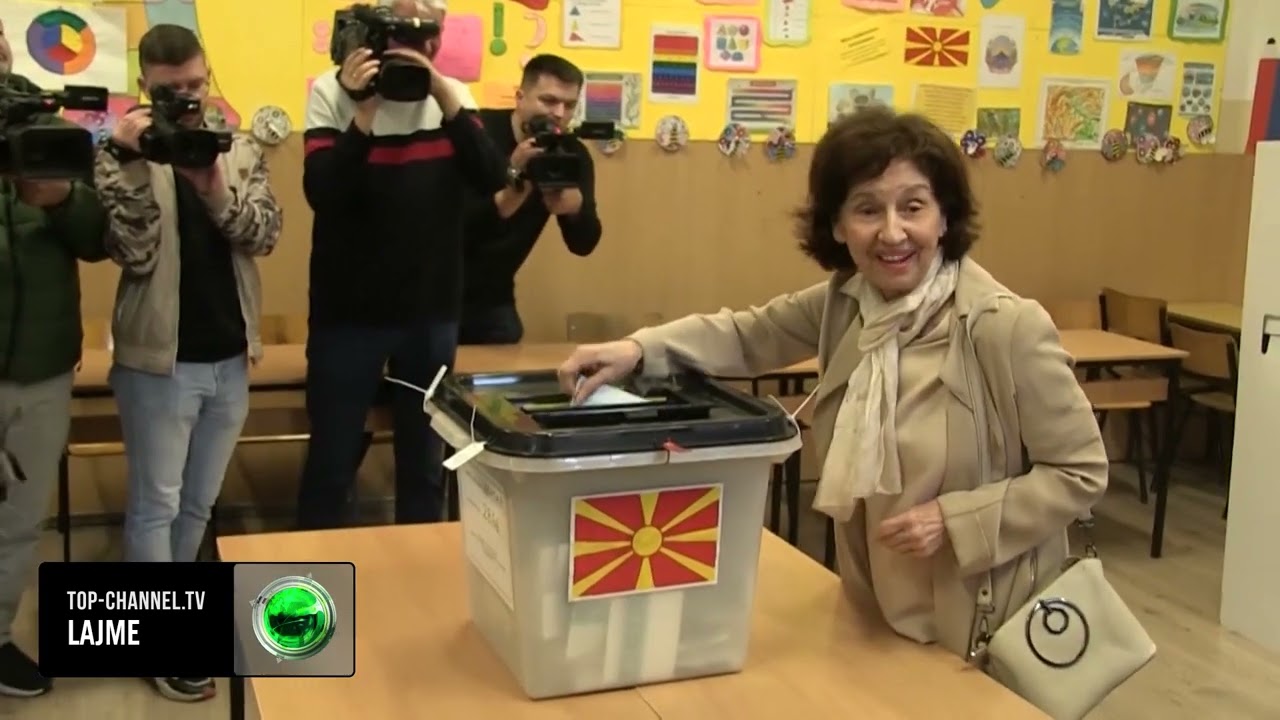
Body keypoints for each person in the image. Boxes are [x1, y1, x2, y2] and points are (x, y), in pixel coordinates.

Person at [556, 107, 1108, 665]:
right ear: (839, 226)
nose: (892, 232)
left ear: (944, 217)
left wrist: (956, 520)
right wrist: (638, 349)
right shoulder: (849, 304)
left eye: (913, 207)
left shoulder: (1005, 327)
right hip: (872, 612)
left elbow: (1080, 471)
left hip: (976, 631)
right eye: (867, 209)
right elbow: (749, 334)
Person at [94, 24, 282, 702]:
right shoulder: (119, 157)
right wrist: (133, 163)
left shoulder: (239, 149)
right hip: (157, 362)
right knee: (156, 506)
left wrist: (213, 186)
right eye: (170, 90)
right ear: (146, 86)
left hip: (230, 358)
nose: (187, 99)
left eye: (196, 85)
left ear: (208, 76)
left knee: (198, 504)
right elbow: (133, 252)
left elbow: (263, 235)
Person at [297, 0, 506, 530]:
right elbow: (324, 193)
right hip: (348, 316)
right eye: (400, 35)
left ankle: (419, 574)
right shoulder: (330, 93)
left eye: (424, 35)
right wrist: (363, 112)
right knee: (332, 461)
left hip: (429, 313)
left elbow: (490, 177)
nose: (413, 48)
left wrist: (444, 94)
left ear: (437, 41)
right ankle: (306, 578)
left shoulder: (453, 98)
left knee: (423, 465)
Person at [0, 22, 111, 698]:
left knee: (20, 520)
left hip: (42, 369)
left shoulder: (48, 127)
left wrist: (64, 199)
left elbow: (98, 239)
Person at [459, 54, 602, 345]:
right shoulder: (477, 133)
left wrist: (576, 210)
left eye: (569, 105)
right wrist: (510, 176)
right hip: (433, 293)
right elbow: (452, 228)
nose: (559, 113)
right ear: (520, 98)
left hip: (494, 297)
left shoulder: (571, 153)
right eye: (549, 101)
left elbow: (584, 244)